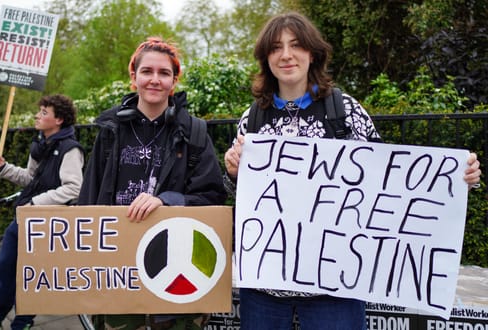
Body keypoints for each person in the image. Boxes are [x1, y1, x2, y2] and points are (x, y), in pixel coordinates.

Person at [223, 12, 482, 330]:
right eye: (276, 47)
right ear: (266, 58)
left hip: (335, 287)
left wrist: (455, 180)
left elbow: (392, 184)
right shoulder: (252, 119)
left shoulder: (345, 111)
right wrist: (234, 171)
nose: (286, 55)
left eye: (296, 45)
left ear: (312, 53)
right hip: (266, 289)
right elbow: (246, 196)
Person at [77, 37, 227, 330]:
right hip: (117, 278)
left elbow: (212, 195)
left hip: (176, 278)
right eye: (147, 71)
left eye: (164, 73)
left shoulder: (194, 132)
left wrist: (168, 200)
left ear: (174, 81)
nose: (155, 80)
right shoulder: (109, 131)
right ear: (134, 77)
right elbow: (89, 200)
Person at [0, 94, 84, 330]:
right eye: (39, 111)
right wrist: (5, 169)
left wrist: (37, 203)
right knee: (4, 267)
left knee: (31, 274)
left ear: (59, 119)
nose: (37, 115)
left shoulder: (70, 149)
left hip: (47, 222)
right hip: (25, 216)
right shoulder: (39, 144)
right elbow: (30, 179)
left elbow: (74, 188)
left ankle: (22, 322)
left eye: (44, 112)